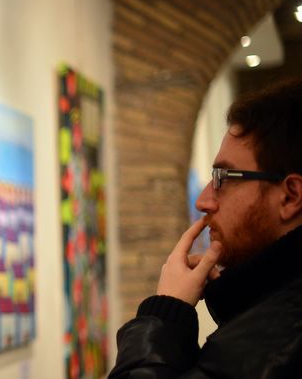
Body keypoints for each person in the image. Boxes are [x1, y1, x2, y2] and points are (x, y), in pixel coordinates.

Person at [109, 79, 302, 378]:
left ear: (290, 196)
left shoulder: (274, 339)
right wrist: (233, 295)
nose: (203, 201)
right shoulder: (272, 316)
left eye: (223, 177)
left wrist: (165, 313)